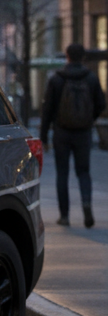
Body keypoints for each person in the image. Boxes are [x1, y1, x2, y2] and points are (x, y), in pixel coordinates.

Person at [40, 43, 107, 228]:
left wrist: (44, 136)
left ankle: (65, 216)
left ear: (67, 56)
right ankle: (86, 203)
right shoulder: (91, 78)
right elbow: (101, 103)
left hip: (61, 132)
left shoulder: (57, 79)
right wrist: (89, 119)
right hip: (83, 133)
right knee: (83, 172)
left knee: (62, 173)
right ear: (83, 57)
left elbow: (47, 109)